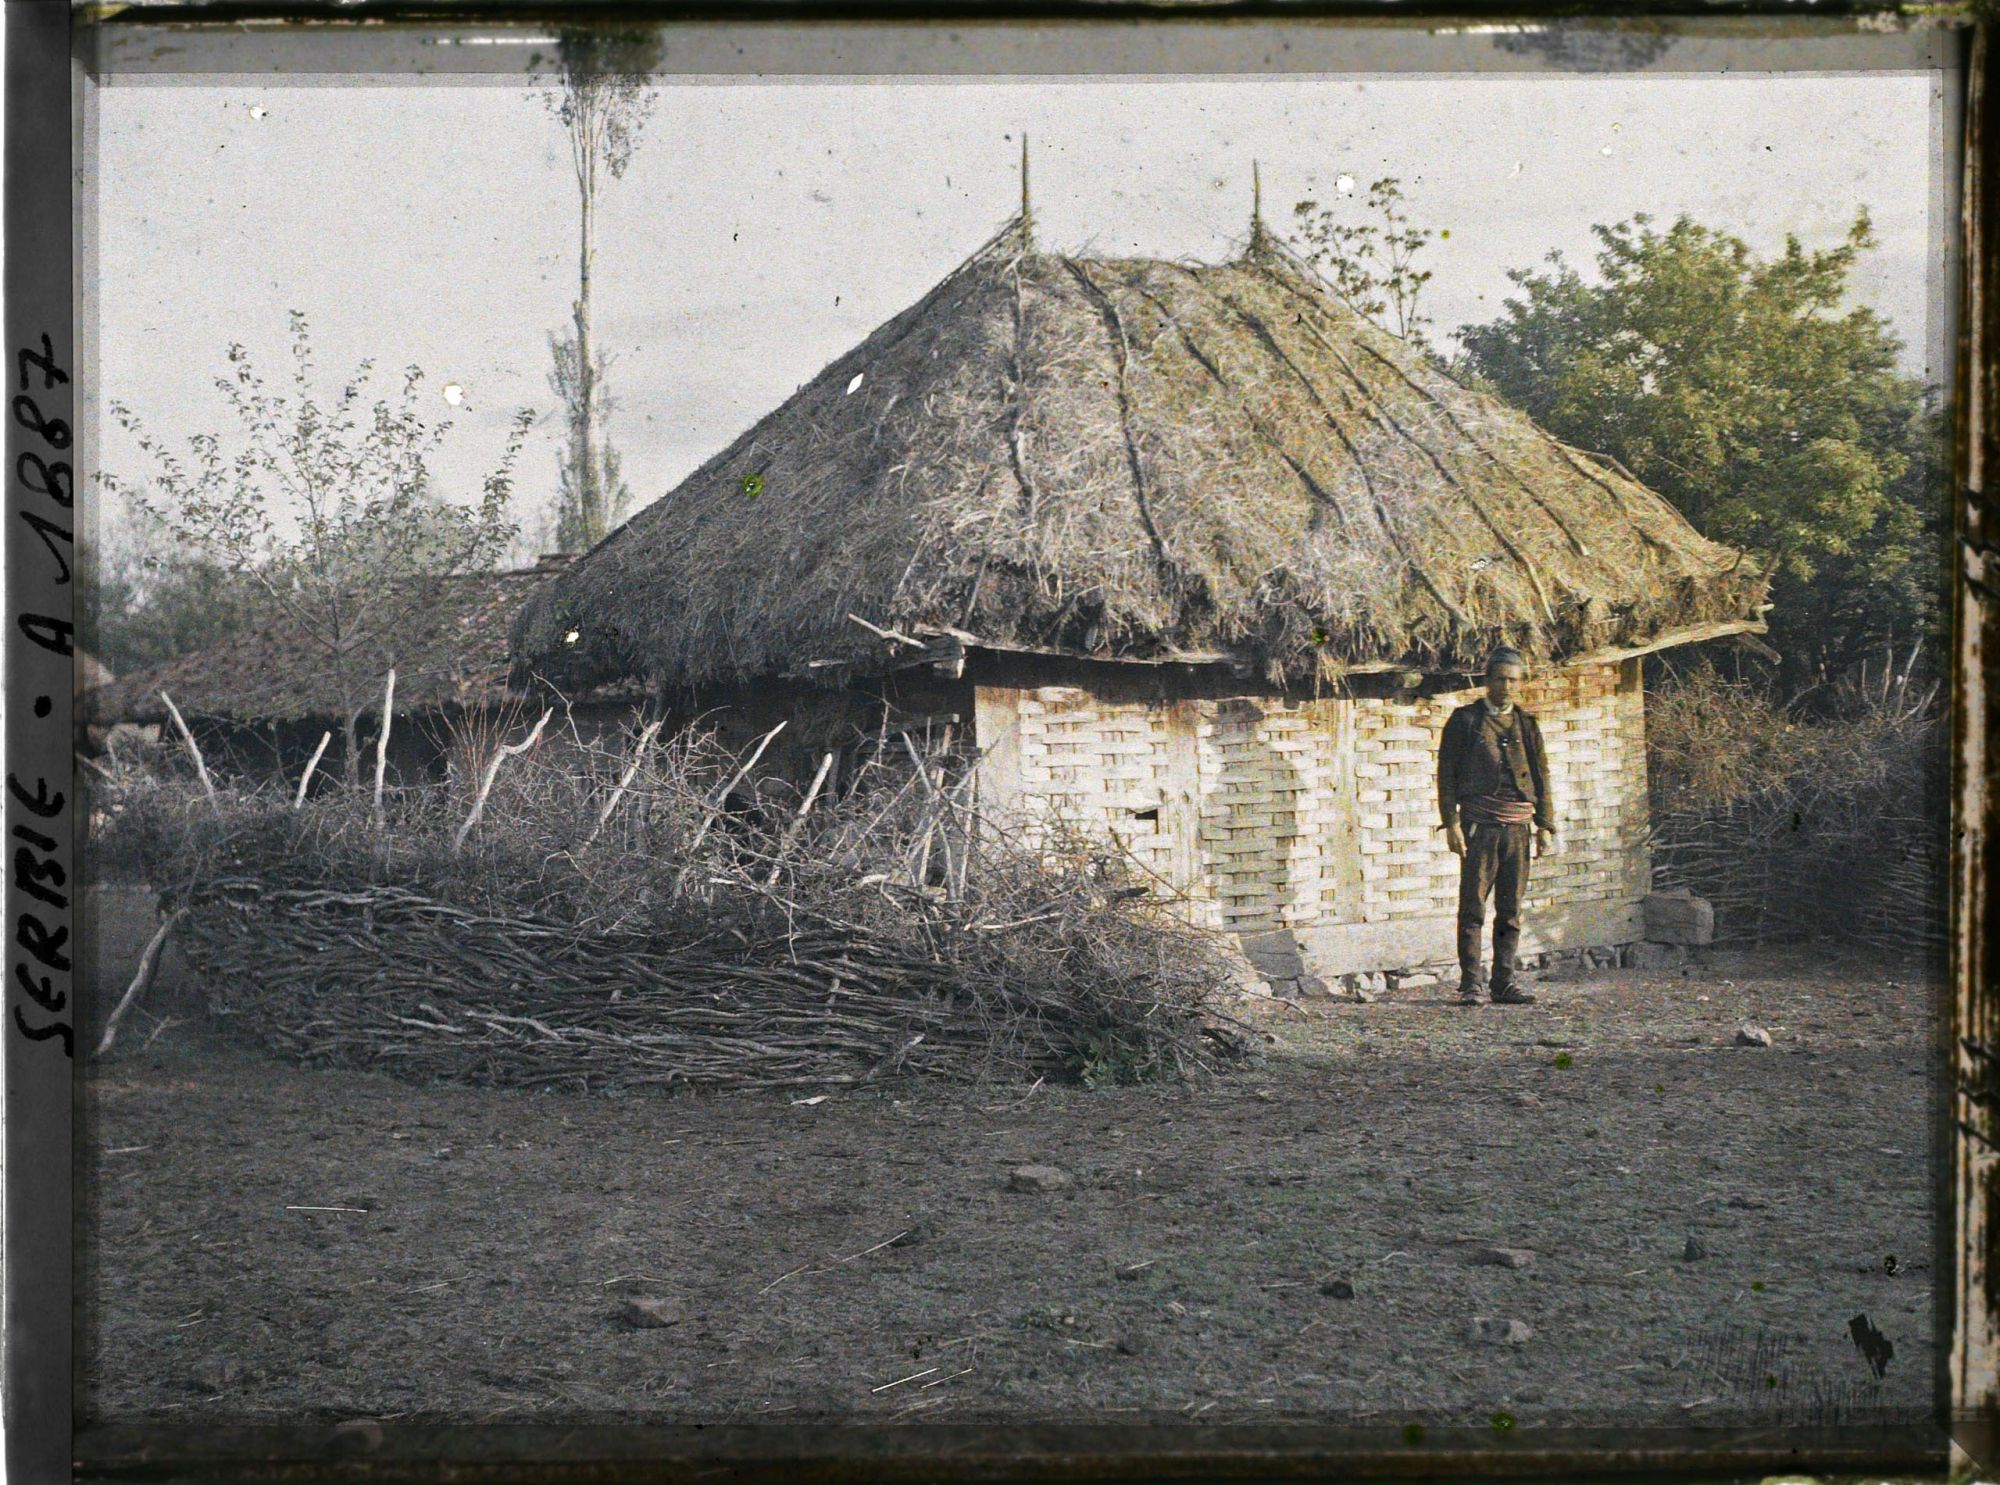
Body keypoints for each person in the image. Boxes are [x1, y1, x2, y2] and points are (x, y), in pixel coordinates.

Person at [1436, 646, 1557, 1005]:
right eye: (1500, 679)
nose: (1506, 686)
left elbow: (1541, 775)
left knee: (1510, 910)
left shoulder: (1527, 725)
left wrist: (1545, 825)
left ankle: (1503, 982)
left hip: (1518, 830)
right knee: (1473, 908)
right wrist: (1452, 823)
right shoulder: (1465, 722)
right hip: (1480, 827)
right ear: (1487, 681)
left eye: (1513, 680)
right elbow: (1446, 776)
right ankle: (1471, 984)